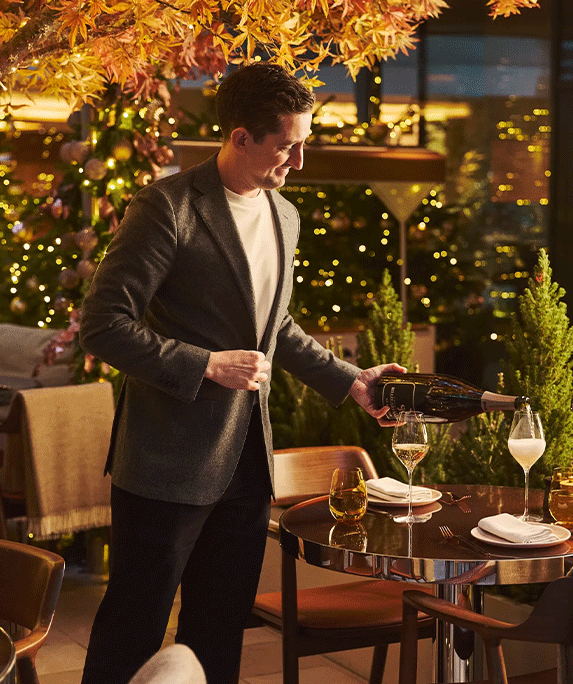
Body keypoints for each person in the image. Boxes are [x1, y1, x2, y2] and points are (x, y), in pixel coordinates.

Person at [79, 62, 405, 684]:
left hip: (247, 464)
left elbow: (274, 328)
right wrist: (203, 365)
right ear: (240, 137)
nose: (299, 161)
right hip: (165, 463)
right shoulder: (165, 207)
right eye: (287, 145)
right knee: (133, 626)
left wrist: (350, 380)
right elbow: (104, 325)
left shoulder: (285, 217)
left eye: (305, 142)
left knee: (220, 627)